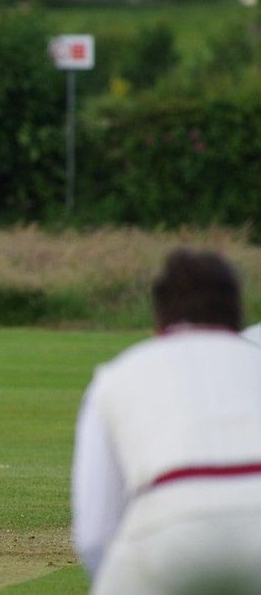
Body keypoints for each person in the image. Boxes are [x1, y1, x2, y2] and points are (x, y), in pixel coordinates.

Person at [72, 248, 261, 594]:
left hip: (169, 531)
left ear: (159, 318)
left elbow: (95, 534)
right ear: (237, 313)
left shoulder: (117, 375)